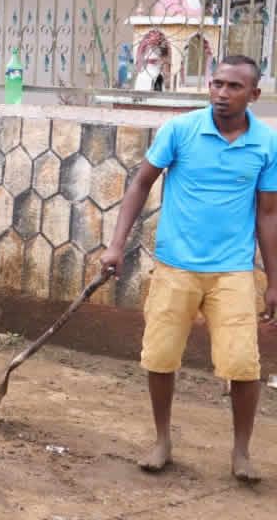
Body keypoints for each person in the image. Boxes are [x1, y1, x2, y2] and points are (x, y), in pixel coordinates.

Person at [100, 55, 277, 482]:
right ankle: (162, 440)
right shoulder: (180, 130)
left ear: (254, 94)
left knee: (243, 364)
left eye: (234, 87)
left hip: (233, 272)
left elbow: (268, 214)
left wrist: (274, 281)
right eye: (217, 84)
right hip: (175, 267)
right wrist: (116, 245)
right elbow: (140, 184)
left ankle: (241, 452)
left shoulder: (267, 144)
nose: (221, 93)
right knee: (160, 356)